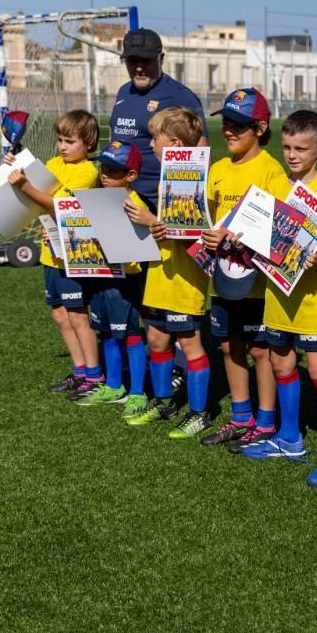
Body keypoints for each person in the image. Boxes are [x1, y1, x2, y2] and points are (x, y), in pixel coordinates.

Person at [243, 111, 317, 489]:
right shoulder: (274, 181)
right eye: (287, 146)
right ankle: (290, 437)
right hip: (276, 293)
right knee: (281, 362)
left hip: (307, 302)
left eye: (301, 148)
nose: (291, 155)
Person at [199, 88, 288, 445]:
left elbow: (281, 227)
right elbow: (205, 216)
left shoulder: (272, 171)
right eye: (227, 123)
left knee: (259, 349)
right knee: (227, 345)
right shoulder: (218, 169)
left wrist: (245, 238)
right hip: (221, 276)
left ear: (261, 127)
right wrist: (207, 236)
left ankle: (265, 421)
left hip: (256, 280)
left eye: (239, 125)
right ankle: (240, 416)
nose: (229, 131)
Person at [122, 107, 212, 428]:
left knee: (189, 344)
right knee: (157, 340)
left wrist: (151, 221)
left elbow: (189, 233)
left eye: (154, 139)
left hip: (184, 281)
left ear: (173, 143)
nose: (150, 145)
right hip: (159, 276)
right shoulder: (166, 180)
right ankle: (164, 403)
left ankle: (200, 413)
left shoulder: (193, 178)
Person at [3, 110, 101, 397]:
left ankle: (94, 376)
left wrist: (24, 185)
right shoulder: (53, 163)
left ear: (89, 143)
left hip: (74, 256)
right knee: (60, 316)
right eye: (60, 140)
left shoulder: (88, 172)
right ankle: (79, 370)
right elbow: (38, 187)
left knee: (78, 316)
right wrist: (16, 161)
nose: (62, 146)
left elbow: (58, 206)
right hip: (50, 253)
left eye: (70, 141)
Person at [76, 140, 148, 409]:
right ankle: (113, 386)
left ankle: (139, 392)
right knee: (106, 333)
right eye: (103, 168)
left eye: (114, 171)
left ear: (131, 176)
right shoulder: (96, 200)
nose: (105, 174)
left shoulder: (135, 205)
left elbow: (141, 246)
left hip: (125, 281)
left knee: (130, 335)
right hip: (98, 276)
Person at [109, 28, 208, 212]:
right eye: (132, 61)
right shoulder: (124, 91)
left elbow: (200, 157)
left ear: (161, 58)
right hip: (120, 202)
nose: (139, 67)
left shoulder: (180, 96)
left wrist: (177, 211)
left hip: (158, 209)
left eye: (145, 60)